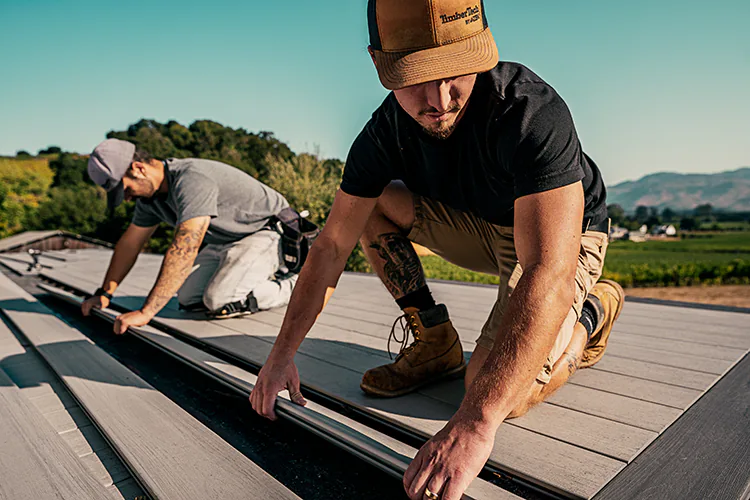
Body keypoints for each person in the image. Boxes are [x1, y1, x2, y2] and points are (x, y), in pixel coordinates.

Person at [250, 0, 624, 498]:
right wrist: (280, 356)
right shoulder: (383, 134)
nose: (440, 99)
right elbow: (333, 244)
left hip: (559, 240)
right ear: (380, 64)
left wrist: (474, 425)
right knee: (369, 203)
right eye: (417, 78)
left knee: (492, 391)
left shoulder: (531, 111)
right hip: (478, 227)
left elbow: (547, 271)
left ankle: (589, 316)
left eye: (454, 74)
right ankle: (434, 341)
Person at [81, 138, 299, 333]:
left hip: (266, 231)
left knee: (220, 300)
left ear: (138, 168)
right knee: (188, 299)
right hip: (226, 239)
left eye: (126, 190)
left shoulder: (191, 179)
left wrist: (146, 312)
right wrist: (105, 293)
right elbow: (130, 243)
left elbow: (186, 246)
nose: (127, 198)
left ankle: (293, 284)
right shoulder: (149, 200)